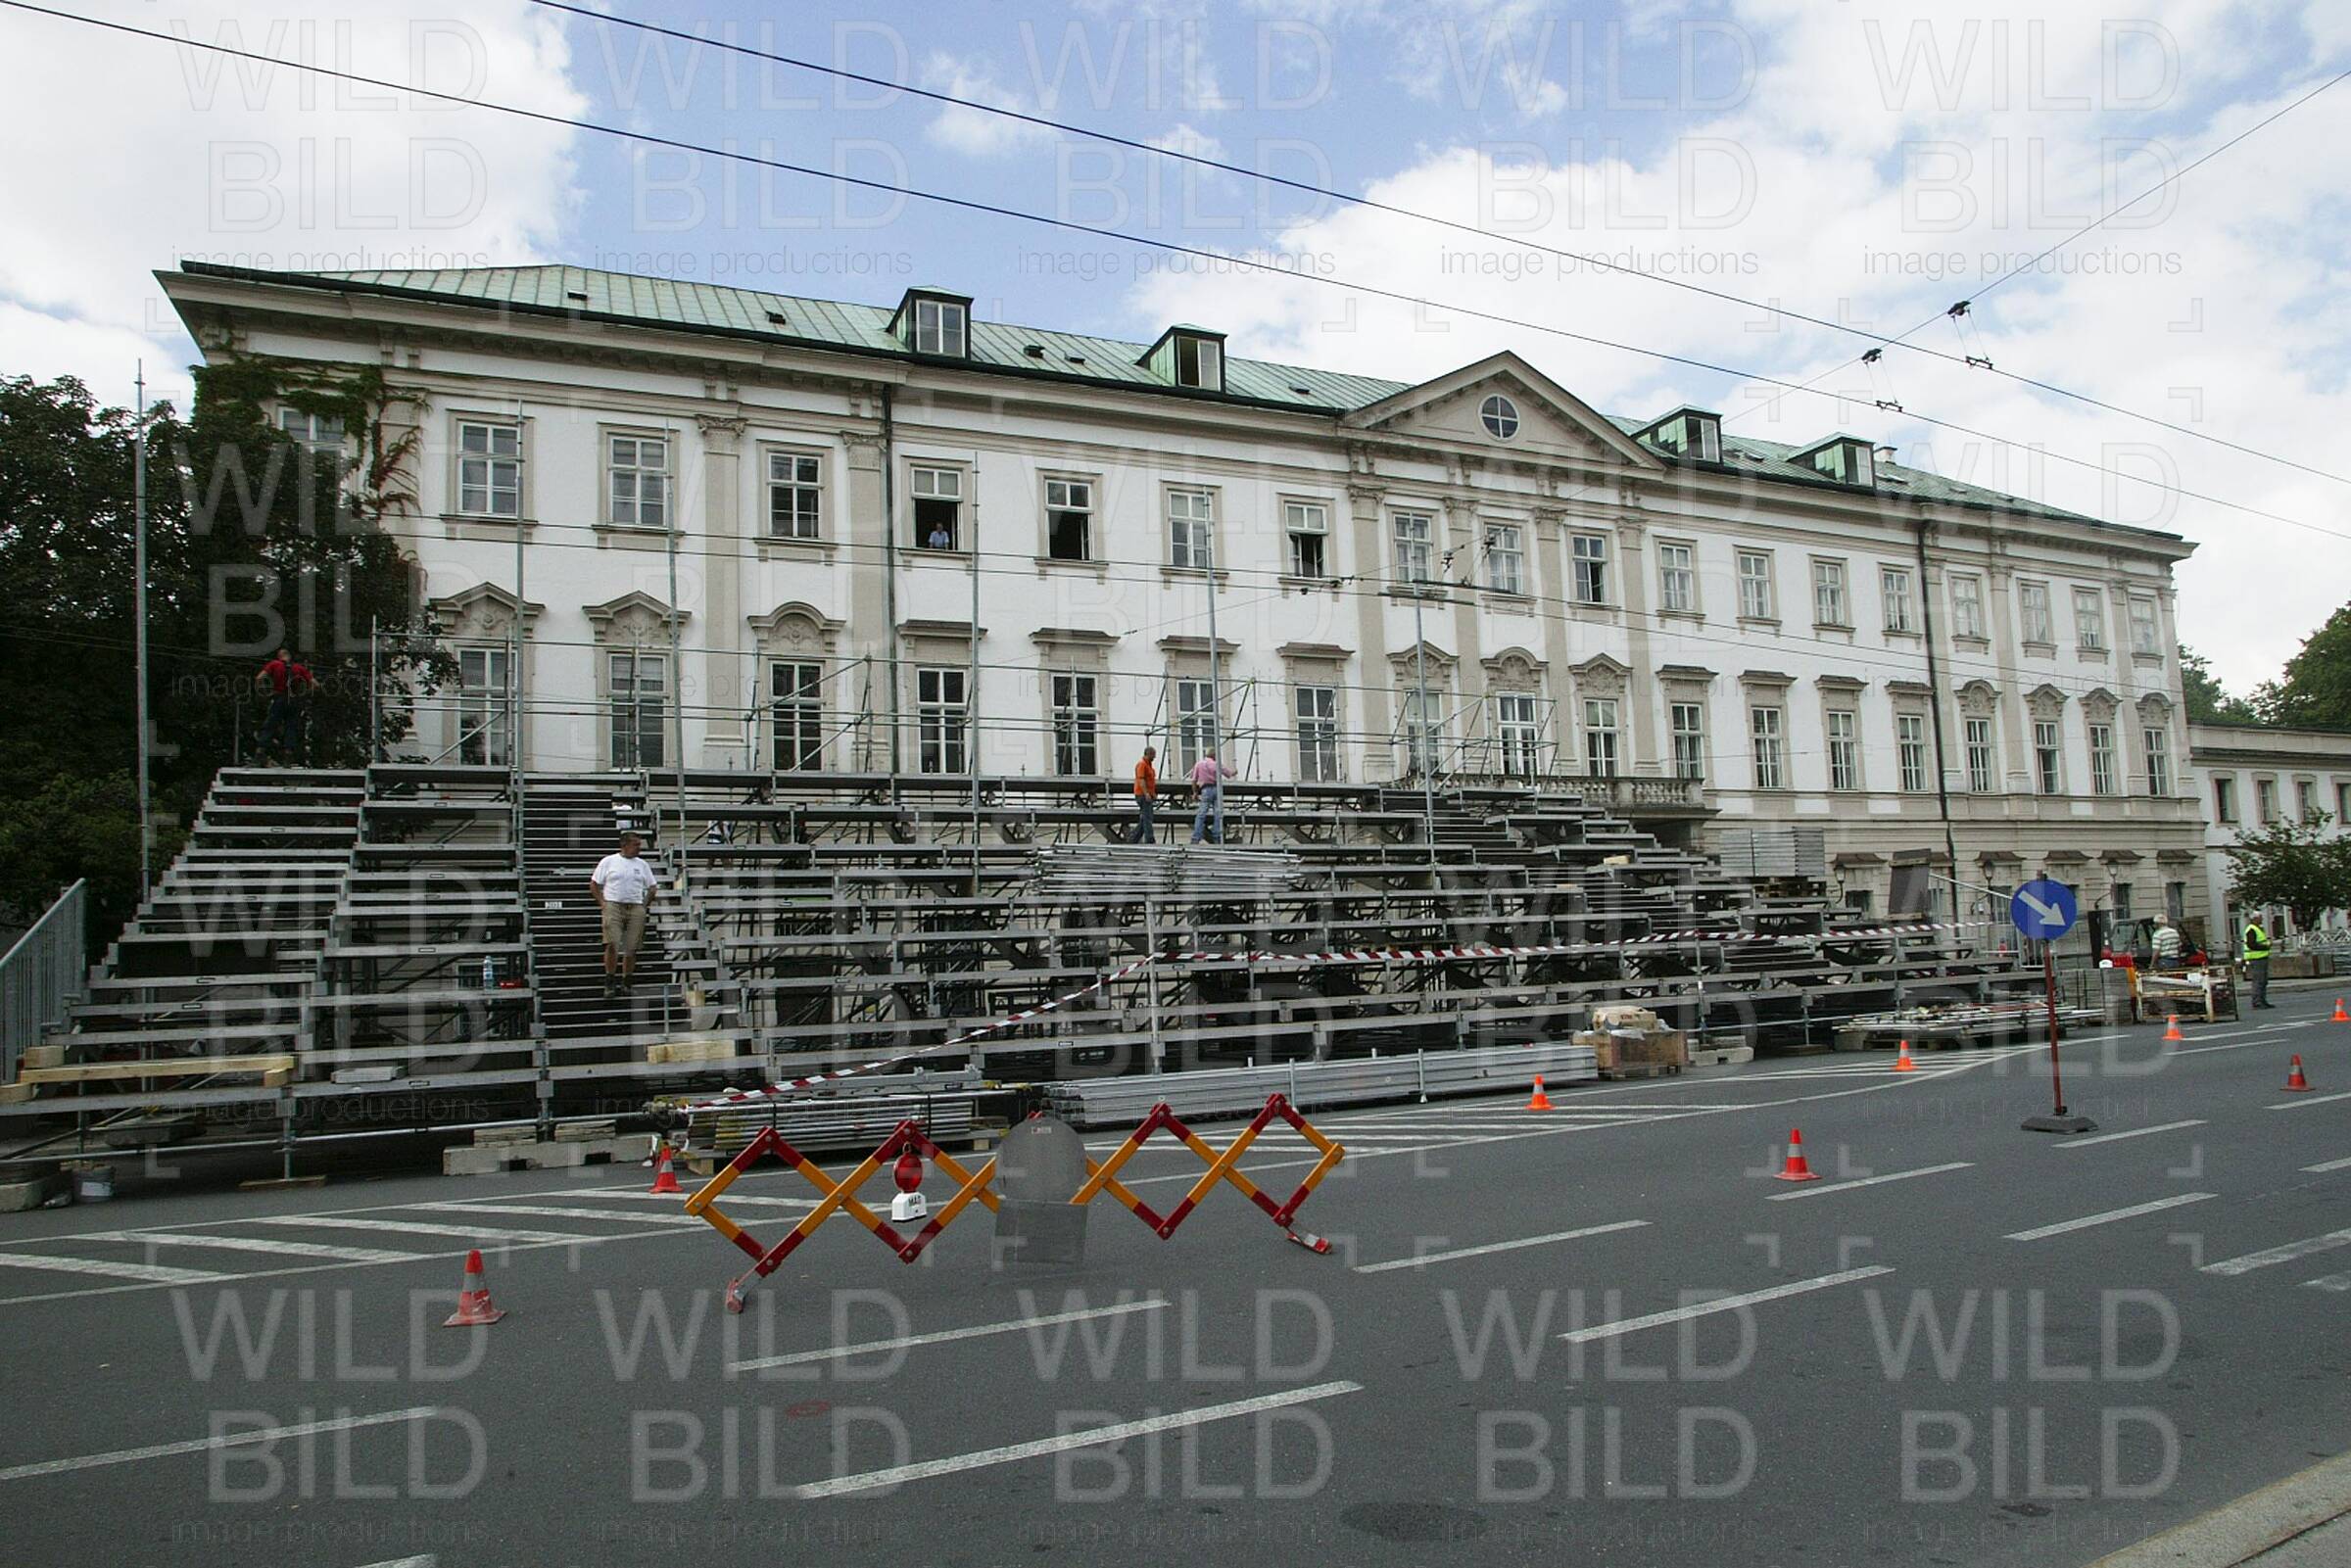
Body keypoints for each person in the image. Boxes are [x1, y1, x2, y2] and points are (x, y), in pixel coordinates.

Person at [592, 831, 659, 998]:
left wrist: (643, 906)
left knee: (632, 947)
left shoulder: (642, 864)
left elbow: (652, 887)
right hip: (614, 904)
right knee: (612, 943)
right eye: (636, 845)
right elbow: (594, 884)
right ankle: (610, 980)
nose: (639, 848)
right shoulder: (609, 861)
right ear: (625, 845)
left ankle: (627, 981)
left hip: (635, 905)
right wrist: (603, 903)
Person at [255, 646, 314, 764]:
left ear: (279, 656)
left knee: (270, 725)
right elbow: (315, 684)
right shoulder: (299, 668)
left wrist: (264, 693)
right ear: (289, 657)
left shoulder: (274, 664)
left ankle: (260, 751)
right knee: (291, 727)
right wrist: (304, 694)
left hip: (279, 698)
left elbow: (259, 678)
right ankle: (288, 754)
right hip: (294, 700)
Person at [1189, 749, 1233, 844]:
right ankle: (1217, 836)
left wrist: (1195, 792)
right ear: (1214, 755)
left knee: (1201, 814)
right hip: (1216, 789)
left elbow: (1193, 780)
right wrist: (1234, 772)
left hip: (1205, 789)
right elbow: (1228, 774)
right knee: (1218, 814)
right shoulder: (1217, 764)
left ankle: (1196, 837)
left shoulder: (1199, 764)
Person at [2243, 915, 2275, 1009]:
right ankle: (2257, 1002)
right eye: (2260, 918)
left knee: (2263, 981)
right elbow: (2252, 945)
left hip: (2261, 957)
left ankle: (2262, 1000)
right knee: (2258, 981)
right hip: (2256, 958)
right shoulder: (2251, 929)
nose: (2262, 919)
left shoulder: (2258, 928)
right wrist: (2266, 947)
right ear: (2255, 919)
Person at [1131, 745, 1159, 844]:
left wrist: (1153, 793)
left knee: (1145, 818)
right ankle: (1149, 839)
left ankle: (1133, 838)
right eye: (1153, 755)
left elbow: (1149, 782)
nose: (1154, 757)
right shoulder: (1142, 765)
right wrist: (1146, 793)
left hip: (1146, 794)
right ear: (1149, 754)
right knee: (1147, 818)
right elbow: (1141, 780)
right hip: (1142, 795)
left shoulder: (1148, 766)